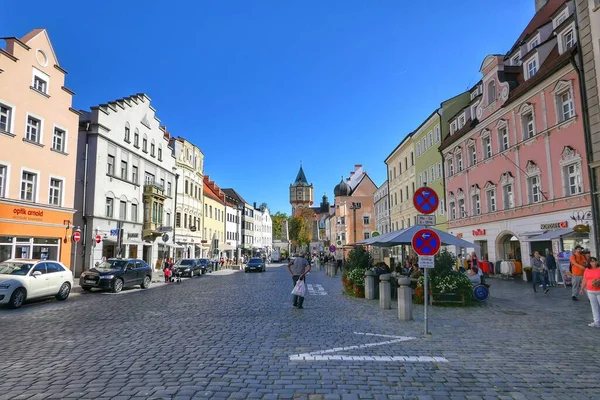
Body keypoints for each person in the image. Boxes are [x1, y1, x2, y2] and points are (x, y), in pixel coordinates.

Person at [580, 257, 600, 327]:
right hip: (590, 291)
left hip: (599, 290)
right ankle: (597, 322)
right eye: (591, 262)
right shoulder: (587, 270)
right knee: (594, 306)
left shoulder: (599, 269)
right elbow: (585, 280)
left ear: (597, 262)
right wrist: (582, 288)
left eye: (594, 261)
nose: (593, 263)